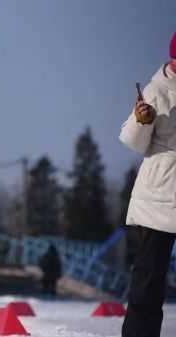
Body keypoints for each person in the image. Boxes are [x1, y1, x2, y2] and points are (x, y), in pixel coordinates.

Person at [119, 32, 176, 337]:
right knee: (149, 278)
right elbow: (132, 142)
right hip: (159, 195)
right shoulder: (156, 89)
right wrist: (142, 120)